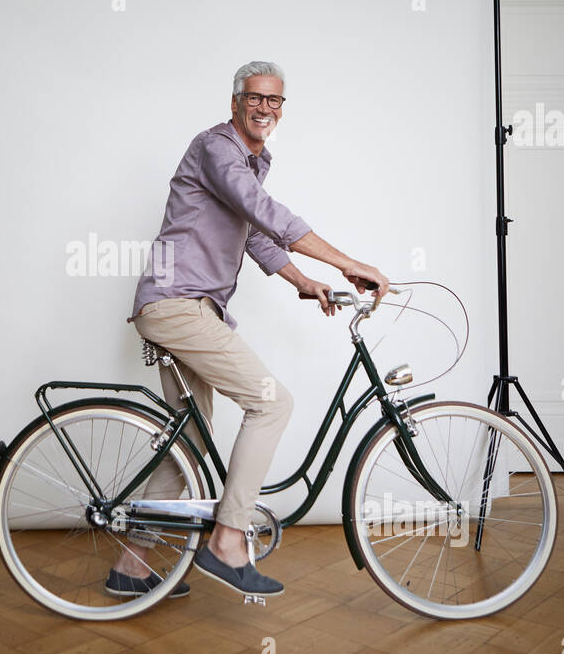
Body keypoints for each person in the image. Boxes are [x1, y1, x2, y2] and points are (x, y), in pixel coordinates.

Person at [111, 61, 389, 599]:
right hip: (177, 305)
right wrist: (346, 263)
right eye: (255, 98)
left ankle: (131, 563)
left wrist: (304, 281)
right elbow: (264, 211)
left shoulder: (255, 160)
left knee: (187, 442)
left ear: (282, 109)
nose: (266, 108)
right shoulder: (216, 148)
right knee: (272, 402)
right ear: (236, 101)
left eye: (276, 101)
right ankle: (228, 538)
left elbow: (255, 233)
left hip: (191, 308)